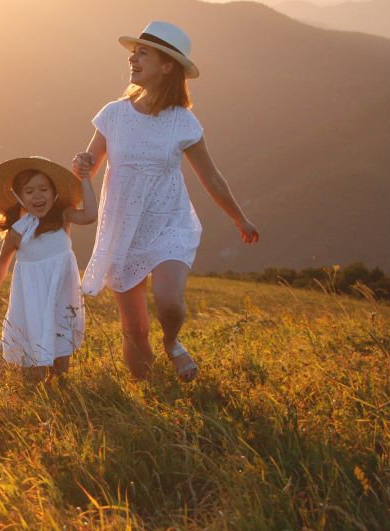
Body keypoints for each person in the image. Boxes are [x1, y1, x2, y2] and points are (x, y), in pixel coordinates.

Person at [73, 21, 260, 381]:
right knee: (134, 330)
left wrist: (239, 218)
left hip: (169, 223)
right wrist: (79, 168)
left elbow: (212, 177)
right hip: (123, 228)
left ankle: (173, 342)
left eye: (143, 53)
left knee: (170, 302)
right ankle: (149, 393)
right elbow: (88, 166)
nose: (133, 58)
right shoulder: (113, 114)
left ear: (167, 65)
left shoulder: (183, 122)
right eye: (134, 52)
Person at [0, 157, 98, 381]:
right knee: (33, 369)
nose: (38, 196)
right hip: (32, 299)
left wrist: (86, 179)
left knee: (60, 364)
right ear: (19, 197)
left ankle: (59, 394)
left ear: (54, 192)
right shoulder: (17, 232)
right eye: (29, 191)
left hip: (60, 295)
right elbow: (2, 262)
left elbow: (90, 215)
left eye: (44, 189)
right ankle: (6, 365)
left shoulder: (62, 217)